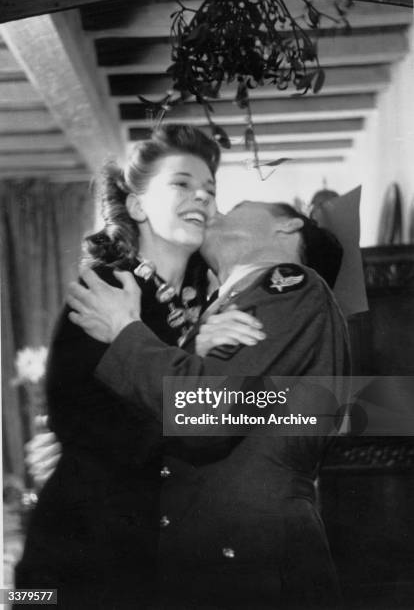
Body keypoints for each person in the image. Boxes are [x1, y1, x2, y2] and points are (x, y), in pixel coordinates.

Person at [15, 124, 264, 609]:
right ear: (137, 205)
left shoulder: (208, 301)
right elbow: (96, 426)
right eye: (181, 183)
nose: (203, 198)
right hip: (82, 556)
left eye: (210, 189)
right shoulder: (107, 291)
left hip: (156, 554)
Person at [64, 199, 350, 609]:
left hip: (249, 562)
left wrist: (125, 330)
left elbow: (204, 414)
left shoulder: (291, 284)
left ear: (287, 228)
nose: (216, 209)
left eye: (238, 205)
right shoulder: (225, 310)